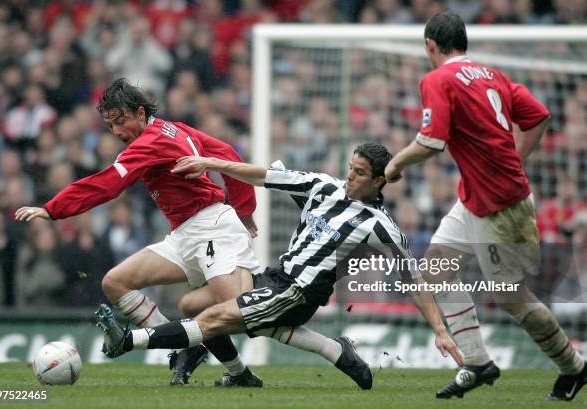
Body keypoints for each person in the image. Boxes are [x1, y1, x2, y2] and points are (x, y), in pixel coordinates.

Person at [95, 143, 463, 389]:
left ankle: (126, 341)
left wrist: (439, 330)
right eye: (350, 168)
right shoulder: (323, 187)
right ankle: (334, 351)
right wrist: (211, 163)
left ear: (380, 182)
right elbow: (262, 176)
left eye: (360, 173)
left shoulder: (380, 226)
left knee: (214, 319)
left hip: (297, 293)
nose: (350, 177)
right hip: (275, 276)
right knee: (193, 304)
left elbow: (415, 279)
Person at [384, 10, 586, 401]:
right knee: (434, 272)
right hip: (477, 198)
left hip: (499, 205)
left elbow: (431, 142)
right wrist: (515, 156)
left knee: (512, 298)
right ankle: (477, 362)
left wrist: (395, 164)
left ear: (430, 45)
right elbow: (539, 116)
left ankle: (574, 367)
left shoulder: (437, 79)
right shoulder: (493, 75)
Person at [15, 78, 262, 387]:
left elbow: (108, 183)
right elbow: (226, 152)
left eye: (121, 122)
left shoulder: (150, 142)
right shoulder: (175, 128)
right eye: (110, 126)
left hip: (210, 227)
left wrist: (53, 208)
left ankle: (315, 328)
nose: (117, 132)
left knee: (239, 310)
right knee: (116, 282)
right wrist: (245, 209)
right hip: (184, 233)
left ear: (140, 113)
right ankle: (204, 356)